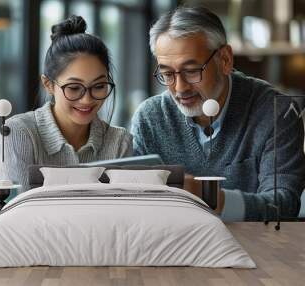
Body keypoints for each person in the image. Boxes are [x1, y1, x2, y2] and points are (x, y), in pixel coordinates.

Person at [131, 6, 305, 221]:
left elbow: (284, 205)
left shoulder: (276, 111)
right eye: (167, 74)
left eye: (192, 71)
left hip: (253, 247)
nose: (179, 88)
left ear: (225, 60)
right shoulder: (150, 117)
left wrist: (213, 198)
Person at [0, 15, 133, 192]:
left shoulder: (119, 141)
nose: (87, 99)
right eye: (74, 87)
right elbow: (17, 210)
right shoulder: (18, 132)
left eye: (99, 86)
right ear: (49, 85)